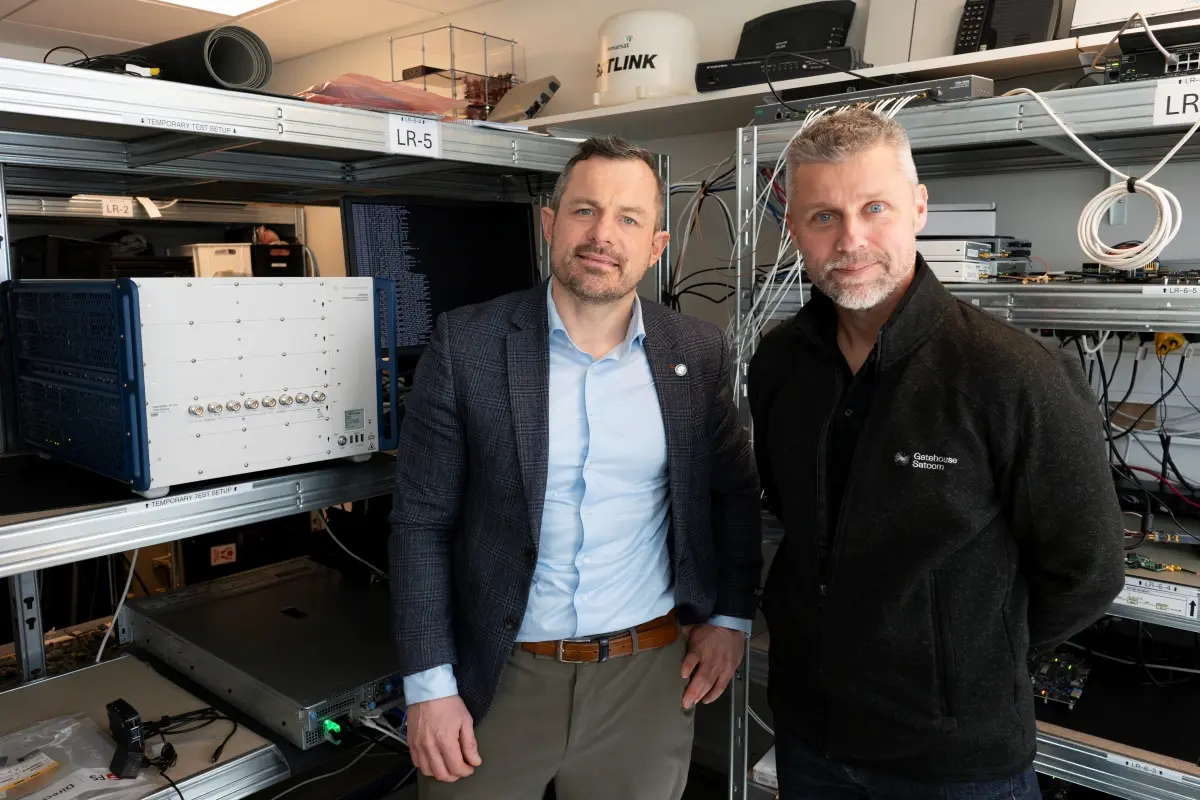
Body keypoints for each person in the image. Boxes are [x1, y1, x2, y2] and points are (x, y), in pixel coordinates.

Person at [747, 108, 1124, 799]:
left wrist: (969, 657)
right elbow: (793, 523)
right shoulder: (778, 365)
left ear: (918, 209)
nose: (852, 239)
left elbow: (1089, 571)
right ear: (795, 228)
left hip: (956, 762)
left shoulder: (1012, 374)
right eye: (824, 217)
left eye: (875, 207)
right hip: (811, 733)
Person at [389, 134, 762, 800]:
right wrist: (429, 685)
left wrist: (732, 618)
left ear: (656, 246)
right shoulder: (467, 344)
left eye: (628, 218)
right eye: (585, 211)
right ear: (551, 225)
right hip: (496, 677)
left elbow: (732, 494)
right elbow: (421, 522)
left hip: (646, 680)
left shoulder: (696, 352)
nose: (602, 234)